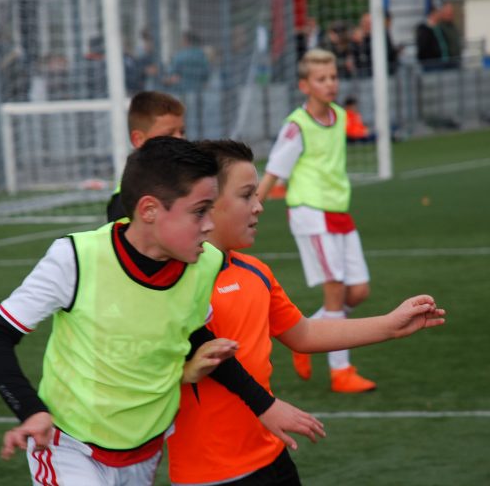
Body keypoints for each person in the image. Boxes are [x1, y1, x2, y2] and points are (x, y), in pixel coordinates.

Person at [0, 137, 320, 486]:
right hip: (69, 446)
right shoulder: (76, 259)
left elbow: (194, 333)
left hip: (144, 453)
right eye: (199, 211)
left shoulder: (205, 264)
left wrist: (264, 405)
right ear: (149, 210)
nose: (209, 224)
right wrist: (31, 411)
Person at [167, 139, 445, 485]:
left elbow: (304, 333)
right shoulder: (174, 284)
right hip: (210, 474)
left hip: (273, 455)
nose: (259, 207)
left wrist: (389, 325)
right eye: (246, 196)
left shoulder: (255, 271)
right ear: (206, 201)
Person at [257, 48, 376, 393]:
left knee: (359, 291)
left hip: (339, 210)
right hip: (309, 212)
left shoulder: (340, 115)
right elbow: (273, 172)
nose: (330, 84)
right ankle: (341, 372)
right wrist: (253, 207)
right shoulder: (297, 126)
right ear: (305, 86)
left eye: (333, 77)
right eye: (321, 79)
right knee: (335, 288)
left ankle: (307, 333)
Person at [106, 90, 186, 221]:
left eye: (182, 132)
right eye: (169, 134)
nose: (180, 139)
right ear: (139, 140)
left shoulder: (190, 180)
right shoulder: (125, 201)